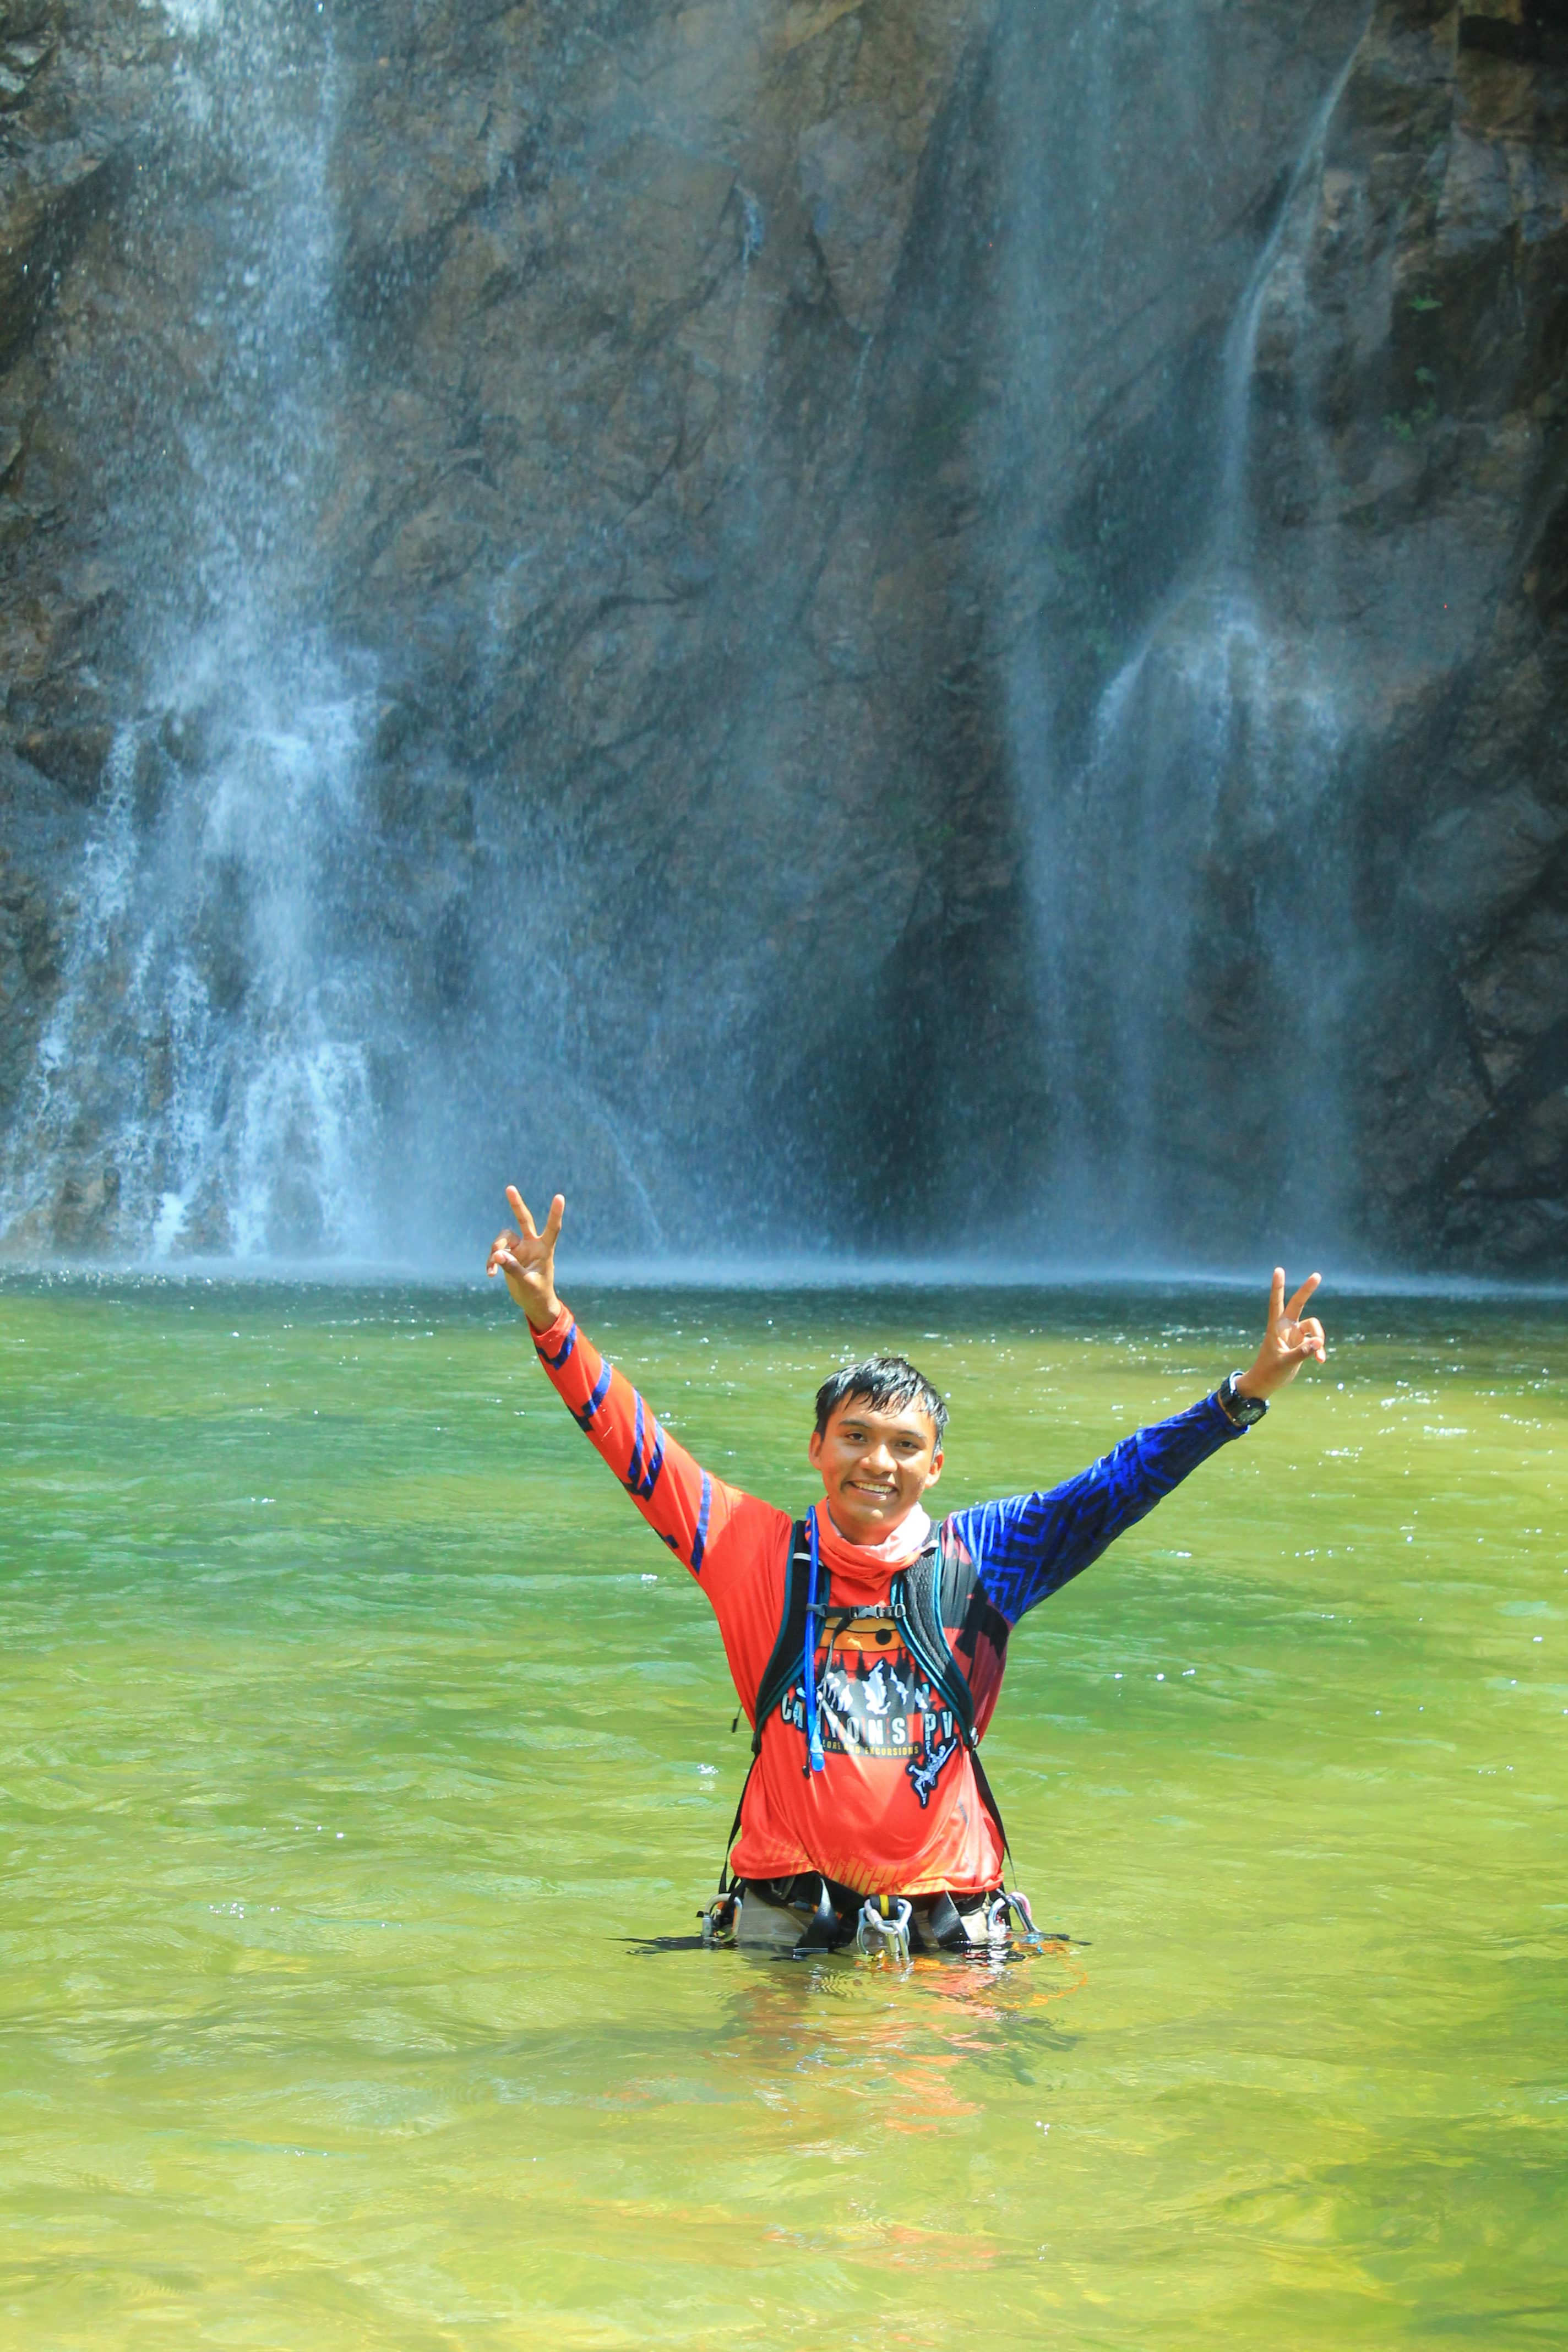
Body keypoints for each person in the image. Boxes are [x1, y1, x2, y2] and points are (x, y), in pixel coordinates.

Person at [488, 1187, 1326, 1959]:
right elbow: (633, 1443)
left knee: (943, 2120)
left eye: (904, 1445)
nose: (876, 1463)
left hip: (951, 1924)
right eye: (854, 1436)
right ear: (817, 1448)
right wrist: (548, 1317)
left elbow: (1119, 1485)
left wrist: (1244, 1393)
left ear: (935, 1465)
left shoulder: (988, 1556)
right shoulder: (753, 1549)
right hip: (785, 1912)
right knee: (769, 2119)